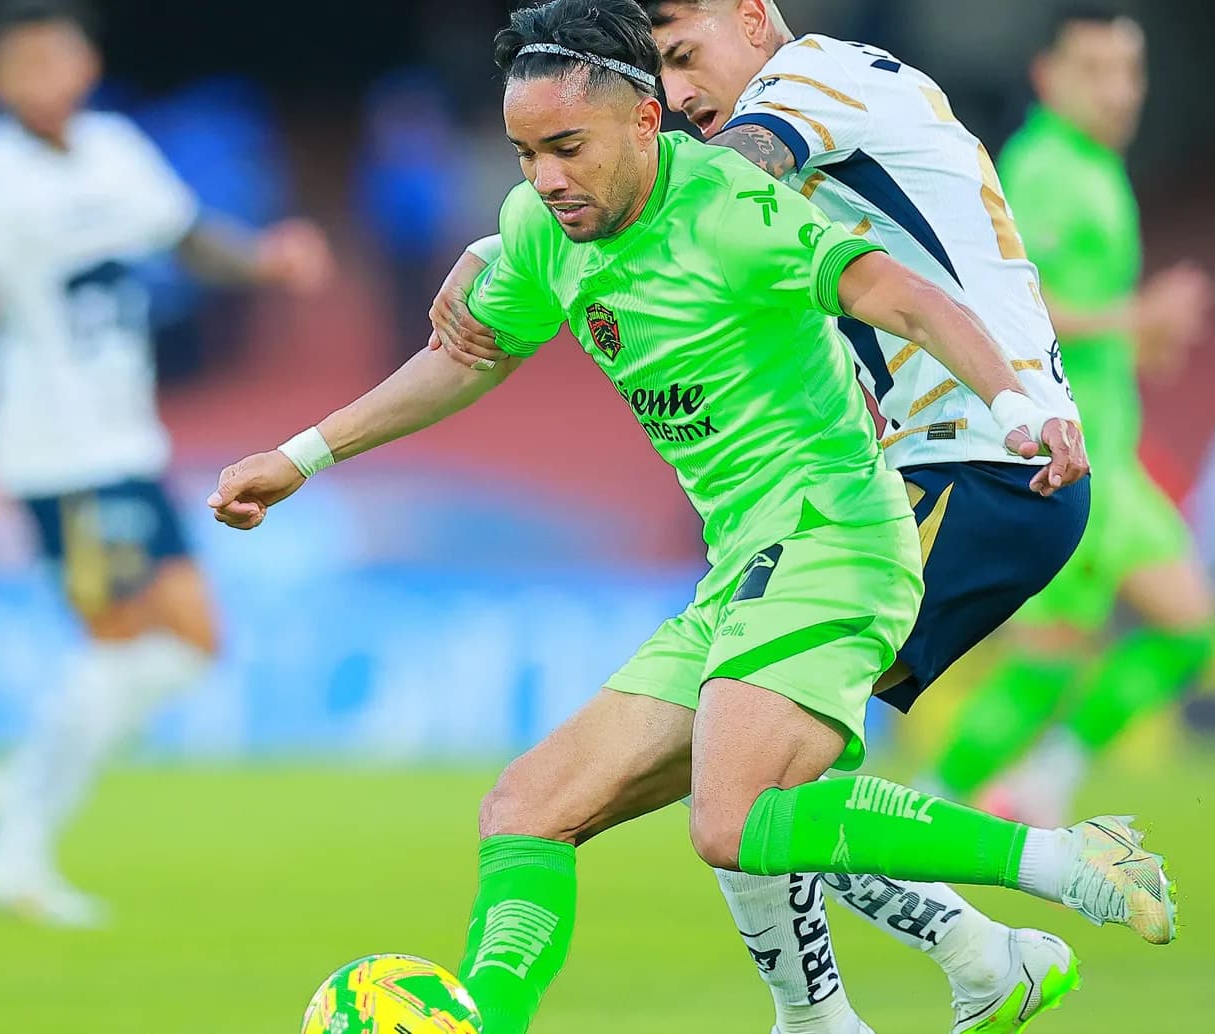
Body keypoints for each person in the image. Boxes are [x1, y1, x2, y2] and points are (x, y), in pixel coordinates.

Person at [210, 3, 1169, 1032]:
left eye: (566, 146)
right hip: (749, 559)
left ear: (647, 115)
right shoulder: (550, 225)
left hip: (862, 517)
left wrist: (1016, 400)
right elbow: (463, 356)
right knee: (531, 809)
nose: (542, 177)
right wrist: (305, 454)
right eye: (524, 154)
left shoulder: (754, 173)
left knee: (747, 800)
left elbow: (886, 285)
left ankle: (1059, 864)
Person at [425, 2, 1099, 1029]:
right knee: (750, 776)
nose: (681, 98)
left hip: (972, 465)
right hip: (943, 464)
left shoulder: (814, 80)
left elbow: (705, 180)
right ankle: (963, 961)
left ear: (753, 17)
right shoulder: (837, 93)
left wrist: (522, 221)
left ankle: (951, 947)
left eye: (686, 61)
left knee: (753, 774)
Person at [0, 0, 329, 927]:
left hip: (125, 444)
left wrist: (264, 261)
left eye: (63, 54)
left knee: (189, 646)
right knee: (131, 646)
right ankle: (13, 851)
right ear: (0, 78)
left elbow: (183, 236)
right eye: (30, 60)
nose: (52, 73)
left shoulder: (112, 147)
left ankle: (25, 785)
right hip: (56, 454)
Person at [929, 7, 1215, 832]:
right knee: (1046, 667)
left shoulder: (1093, 167)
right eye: (1095, 70)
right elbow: (1016, 305)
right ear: (1047, 78)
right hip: (1069, 454)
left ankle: (1038, 785)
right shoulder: (1047, 168)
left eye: (1129, 70)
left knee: (1189, 629)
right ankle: (926, 815)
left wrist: (1139, 334)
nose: (1118, 91)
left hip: (1114, 457)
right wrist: (1139, 316)